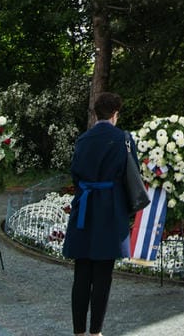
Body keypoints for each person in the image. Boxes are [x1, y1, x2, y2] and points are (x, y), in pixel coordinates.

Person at [66, 91, 135, 336]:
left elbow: (75, 173)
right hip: (109, 209)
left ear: (95, 114)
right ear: (115, 114)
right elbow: (131, 177)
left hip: (84, 208)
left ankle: (78, 332)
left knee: (81, 273)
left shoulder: (83, 139)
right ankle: (96, 332)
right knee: (103, 276)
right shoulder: (123, 139)